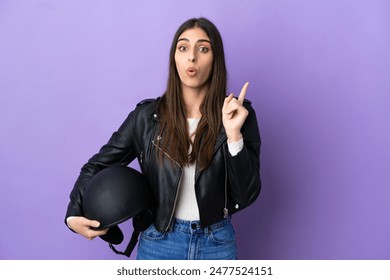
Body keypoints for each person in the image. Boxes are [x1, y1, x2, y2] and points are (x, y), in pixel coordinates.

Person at [65, 17, 261, 260]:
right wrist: (73, 214)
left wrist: (233, 135)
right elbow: (97, 165)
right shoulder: (146, 118)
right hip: (159, 242)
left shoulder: (239, 115)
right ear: (174, 58)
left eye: (203, 48)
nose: (192, 57)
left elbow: (247, 194)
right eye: (183, 47)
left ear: (215, 59)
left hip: (217, 242)